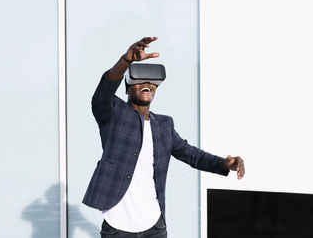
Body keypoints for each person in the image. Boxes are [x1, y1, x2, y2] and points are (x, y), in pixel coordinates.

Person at [83, 36, 245, 238]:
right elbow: (103, 93)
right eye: (140, 80)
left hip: (154, 226)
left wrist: (224, 164)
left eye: (152, 82)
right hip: (118, 225)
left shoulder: (164, 125)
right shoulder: (113, 114)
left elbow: (192, 155)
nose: (147, 84)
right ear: (127, 88)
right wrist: (126, 60)